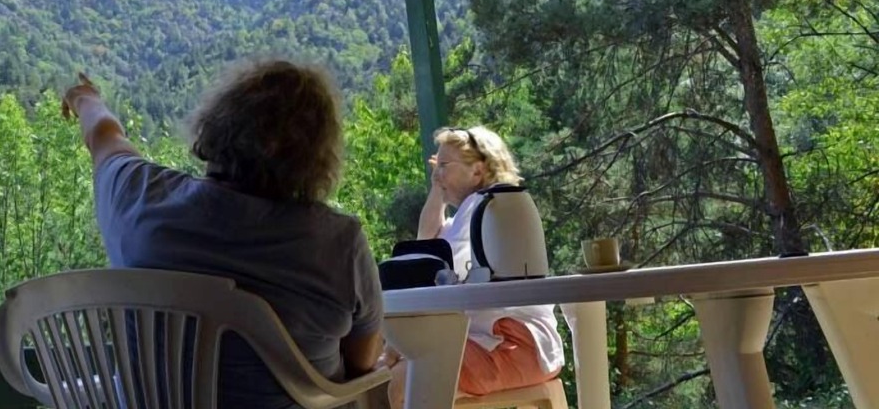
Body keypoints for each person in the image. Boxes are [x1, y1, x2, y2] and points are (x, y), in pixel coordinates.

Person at [61, 61, 384, 409]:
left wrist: (85, 98)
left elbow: (105, 136)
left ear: (217, 126)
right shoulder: (339, 245)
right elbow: (361, 364)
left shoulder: (138, 199)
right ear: (318, 157)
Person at [382, 126, 564, 406]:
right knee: (394, 368)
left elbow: (435, 270)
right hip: (512, 345)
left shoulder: (486, 209)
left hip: (515, 345)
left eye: (444, 166)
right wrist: (438, 189)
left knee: (403, 380)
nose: (437, 173)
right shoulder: (475, 213)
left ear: (478, 172)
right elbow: (428, 240)